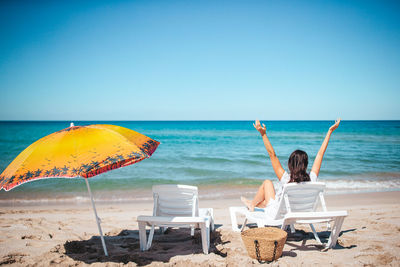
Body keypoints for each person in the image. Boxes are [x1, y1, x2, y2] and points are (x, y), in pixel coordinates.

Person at [241, 119, 341, 214]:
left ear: (290, 164)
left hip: (280, 213)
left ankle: (252, 204)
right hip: (300, 211)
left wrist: (263, 134)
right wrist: (330, 131)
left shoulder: (286, 179)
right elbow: (320, 154)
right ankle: (255, 203)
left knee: (267, 183)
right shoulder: (312, 178)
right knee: (266, 201)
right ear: (305, 164)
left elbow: (272, 155)